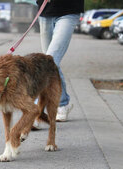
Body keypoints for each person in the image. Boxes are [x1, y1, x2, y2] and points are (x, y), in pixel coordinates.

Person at [34, 0, 84, 128]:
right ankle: (63, 103)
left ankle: (34, 111)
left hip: (68, 11)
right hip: (45, 12)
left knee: (49, 61)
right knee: (51, 64)